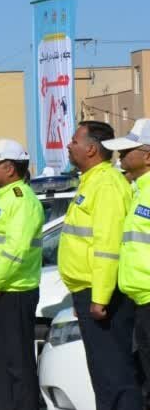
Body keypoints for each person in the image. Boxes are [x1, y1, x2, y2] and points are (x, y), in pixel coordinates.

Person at [62, 121, 142, 410]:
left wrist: (99, 296)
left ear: (92, 149)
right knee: (103, 372)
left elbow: (107, 246)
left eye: (74, 140)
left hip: (102, 295)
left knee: (114, 373)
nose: (69, 145)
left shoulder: (106, 184)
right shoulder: (92, 181)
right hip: (88, 290)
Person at [0, 139, 44, 410]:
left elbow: (15, 249)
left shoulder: (22, 200)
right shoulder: (2, 197)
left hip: (13, 292)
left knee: (17, 362)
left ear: (10, 168)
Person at [103, 120, 150, 409]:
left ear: (147, 155)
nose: (121, 156)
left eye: (128, 150)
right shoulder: (138, 191)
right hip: (139, 301)